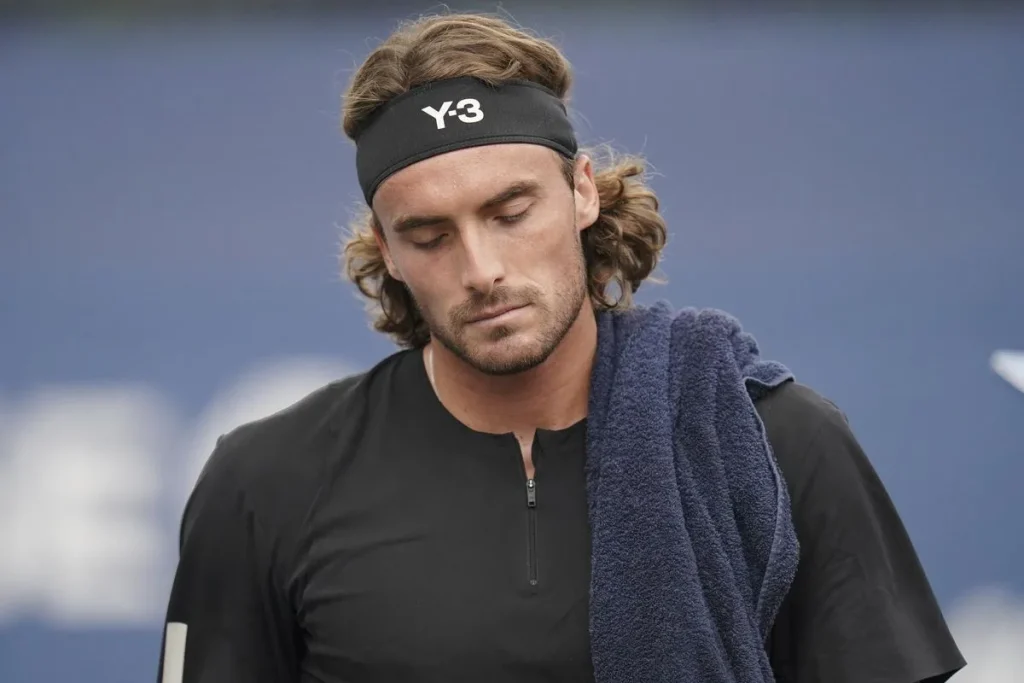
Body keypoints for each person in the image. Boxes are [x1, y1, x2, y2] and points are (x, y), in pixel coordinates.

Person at [156, 12, 966, 683]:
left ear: (581, 192)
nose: (482, 269)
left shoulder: (772, 442)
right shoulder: (264, 481)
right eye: (430, 235)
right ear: (388, 250)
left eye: (511, 213)